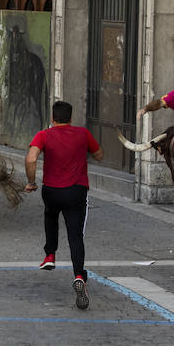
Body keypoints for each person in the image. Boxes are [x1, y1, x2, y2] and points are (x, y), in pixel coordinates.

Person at [24, 101, 104, 311]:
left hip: (51, 190)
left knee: (50, 215)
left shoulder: (43, 135)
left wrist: (31, 182)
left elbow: (31, 158)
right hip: (76, 190)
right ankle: (79, 275)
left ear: (52, 118)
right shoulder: (83, 133)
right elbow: (100, 155)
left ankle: (50, 255)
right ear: (71, 118)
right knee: (75, 235)